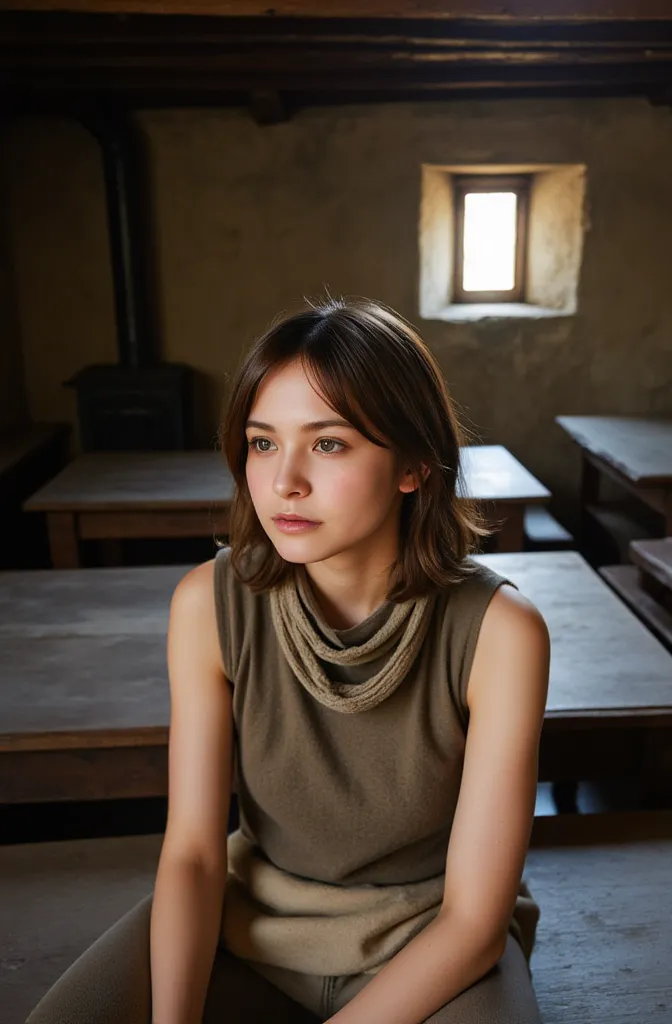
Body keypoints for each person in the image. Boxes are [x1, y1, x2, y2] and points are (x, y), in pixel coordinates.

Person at [26, 297, 549, 1024]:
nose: (283, 482)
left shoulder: (501, 631)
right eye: (263, 443)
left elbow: (473, 923)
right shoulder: (207, 605)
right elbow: (195, 858)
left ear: (414, 466)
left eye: (328, 444)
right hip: (248, 927)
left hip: (427, 945)